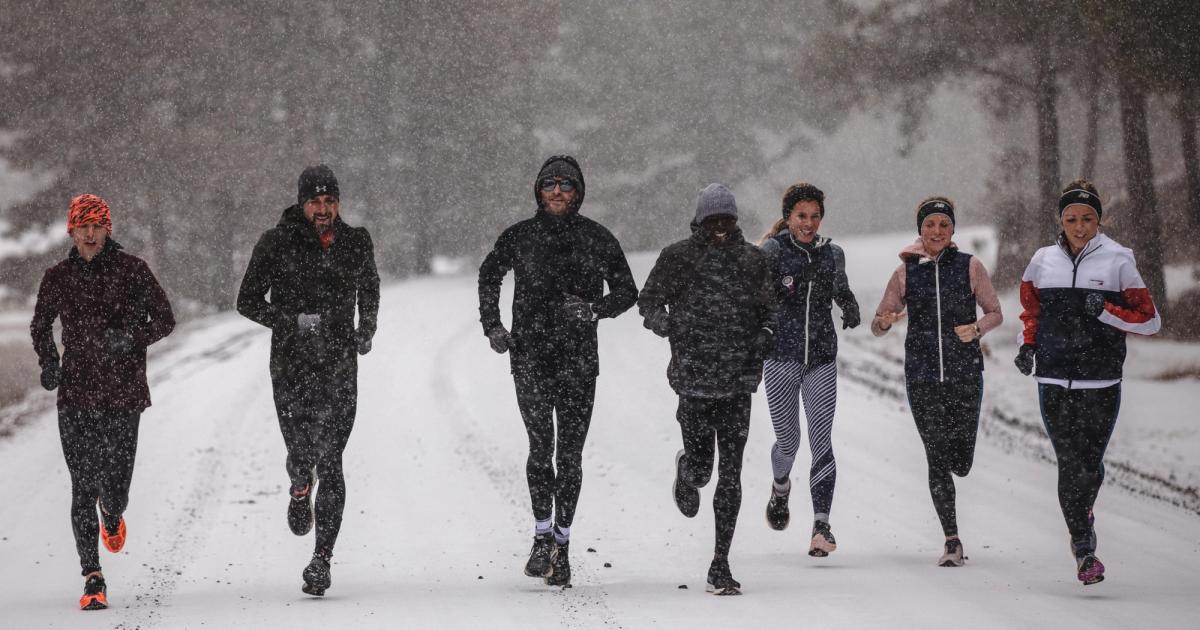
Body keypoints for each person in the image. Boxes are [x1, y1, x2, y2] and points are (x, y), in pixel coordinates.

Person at [477, 155, 638, 587]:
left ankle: (562, 547)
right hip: (529, 358)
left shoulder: (597, 238)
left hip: (579, 363)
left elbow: (627, 291)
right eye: (549, 184)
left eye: (566, 185)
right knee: (538, 451)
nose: (557, 191)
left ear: (579, 192)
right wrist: (492, 326)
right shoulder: (520, 236)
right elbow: (489, 274)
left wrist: (593, 310)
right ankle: (540, 536)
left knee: (569, 457)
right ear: (538, 190)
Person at [237, 164, 379, 596]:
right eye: (315, 201)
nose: (323, 209)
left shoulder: (355, 241)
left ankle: (321, 560)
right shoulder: (276, 242)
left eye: (330, 201)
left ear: (338, 202)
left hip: (338, 363)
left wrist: (366, 327)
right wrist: (292, 321)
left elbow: (370, 286)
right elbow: (247, 301)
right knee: (302, 453)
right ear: (302, 203)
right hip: (291, 366)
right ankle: (299, 485)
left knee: (332, 459)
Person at [30, 194, 176, 610]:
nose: (90, 234)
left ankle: (112, 515)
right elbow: (40, 325)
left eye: (97, 225)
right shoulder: (57, 276)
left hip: (123, 394)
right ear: (71, 232)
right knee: (82, 487)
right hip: (75, 395)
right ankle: (92, 577)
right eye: (82, 227)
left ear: (108, 229)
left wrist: (131, 339)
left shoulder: (133, 271)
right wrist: (49, 362)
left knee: (114, 489)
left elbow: (165, 318)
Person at [1014, 179, 1161, 585]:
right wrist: (1028, 346)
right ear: (1060, 220)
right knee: (1069, 464)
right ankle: (1084, 549)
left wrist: (1107, 310)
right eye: (1071, 218)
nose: (1079, 227)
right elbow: (1031, 311)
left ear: (1099, 220)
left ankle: (1083, 514)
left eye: (1088, 219)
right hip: (1053, 378)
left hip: (1101, 381)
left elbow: (1150, 320)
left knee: (1090, 466)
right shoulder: (1042, 261)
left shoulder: (1118, 261)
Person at [638, 183, 776, 595]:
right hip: (693, 382)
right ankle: (687, 471)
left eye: (726, 219)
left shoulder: (753, 260)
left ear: (735, 221)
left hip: (738, 383)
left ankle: (720, 563)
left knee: (731, 475)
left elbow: (771, 309)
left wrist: (765, 334)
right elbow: (648, 300)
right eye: (712, 220)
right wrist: (664, 323)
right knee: (704, 470)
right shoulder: (677, 257)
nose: (719, 226)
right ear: (699, 221)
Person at [871, 197, 1001, 567]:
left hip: (965, 376)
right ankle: (952, 540)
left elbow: (995, 312)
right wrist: (885, 321)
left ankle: (954, 519)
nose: (937, 231)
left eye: (944, 224)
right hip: (922, 376)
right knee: (936, 456)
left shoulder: (970, 266)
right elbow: (878, 323)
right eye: (930, 225)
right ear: (920, 230)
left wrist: (976, 329)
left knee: (961, 461)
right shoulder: (905, 273)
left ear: (953, 230)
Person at [757, 183, 860, 556]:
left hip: (820, 360)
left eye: (815, 216)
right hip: (780, 360)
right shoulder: (771, 251)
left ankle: (821, 526)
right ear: (788, 217)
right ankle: (780, 487)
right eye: (802, 216)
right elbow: (755, 298)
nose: (809, 223)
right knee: (789, 442)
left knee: (821, 443)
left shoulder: (832, 254)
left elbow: (840, 289)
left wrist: (849, 305)